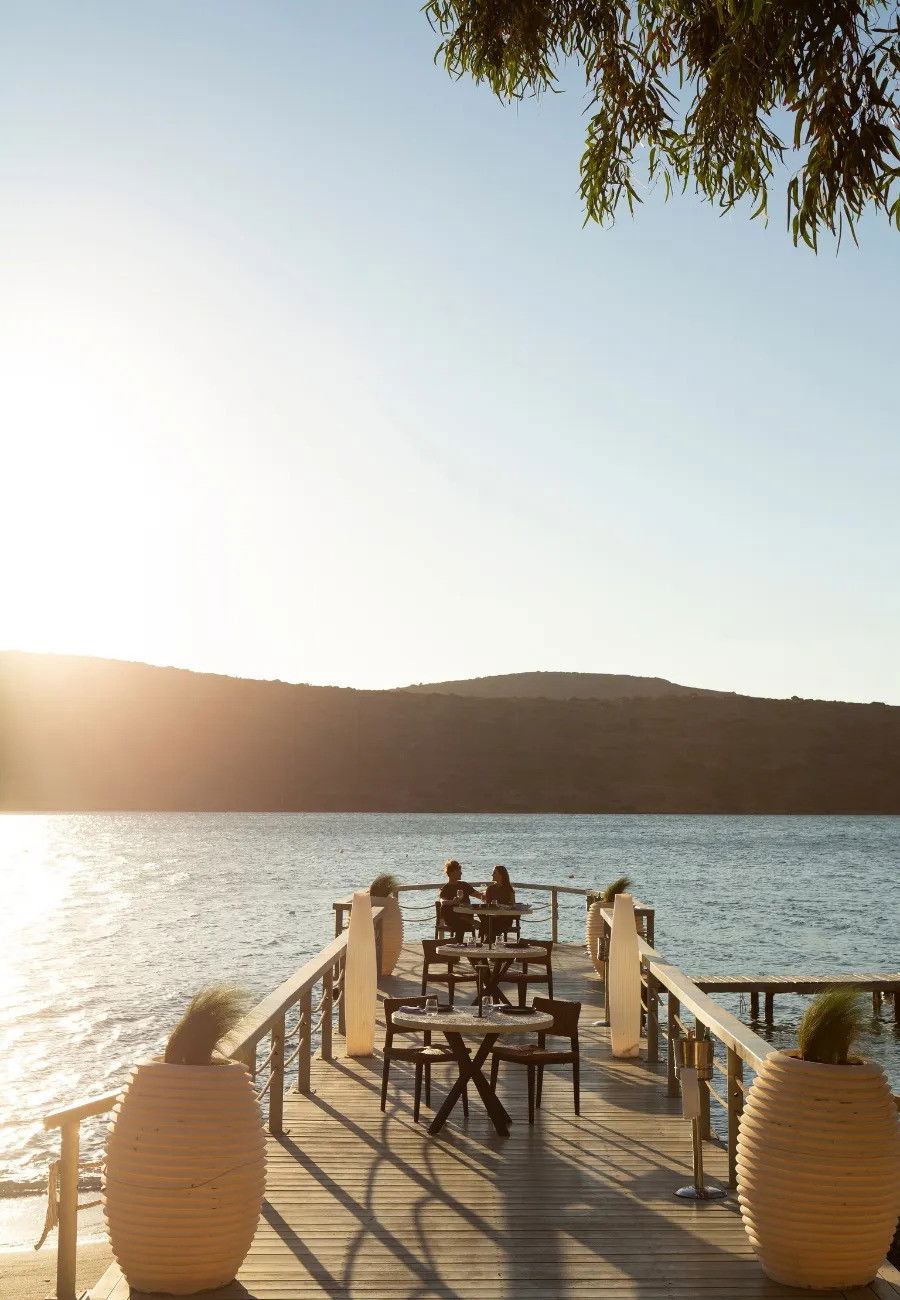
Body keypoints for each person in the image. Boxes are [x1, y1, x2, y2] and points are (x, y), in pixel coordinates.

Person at [438, 859, 484, 943]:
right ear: (452, 872)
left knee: (485, 922)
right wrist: (452, 902)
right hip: (452, 918)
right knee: (460, 923)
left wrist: (488, 893)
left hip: (465, 916)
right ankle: (458, 943)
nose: (461, 873)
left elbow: (478, 895)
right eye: (459, 870)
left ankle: (484, 944)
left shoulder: (464, 885)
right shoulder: (445, 888)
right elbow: (443, 901)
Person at [482, 864, 516, 943]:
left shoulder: (509, 889)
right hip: (492, 917)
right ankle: (490, 941)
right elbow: (488, 905)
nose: (492, 874)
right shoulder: (490, 889)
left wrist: (502, 907)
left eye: (494, 873)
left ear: (501, 875)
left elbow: (513, 905)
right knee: (487, 919)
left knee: (490, 924)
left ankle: (488, 941)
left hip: (505, 918)